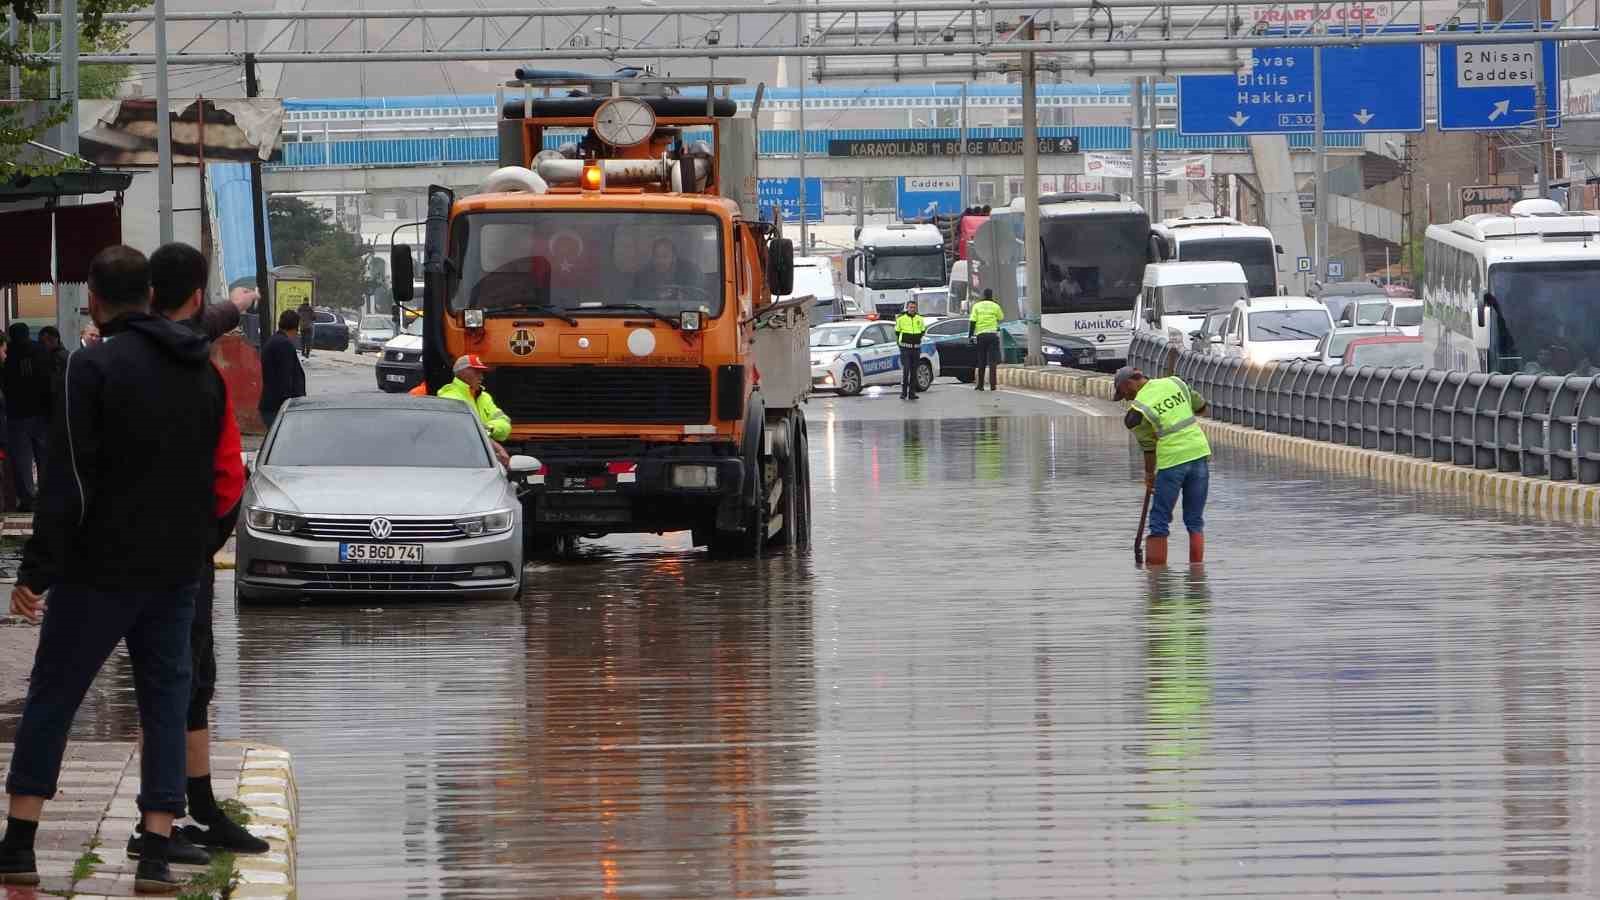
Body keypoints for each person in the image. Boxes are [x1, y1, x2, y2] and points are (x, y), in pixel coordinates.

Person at [0, 245, 230, 893]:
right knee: (164, 705)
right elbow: (212, 481)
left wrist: (37, 571)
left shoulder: (91, 369)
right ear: (152, 293)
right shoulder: (205, 374)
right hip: (176, 573)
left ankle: (19, 846)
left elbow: (69, 481)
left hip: (98, 571)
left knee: (54, 698)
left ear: (95, 298)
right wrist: (196, 549)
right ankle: (156, 853)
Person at [144, 242, 268, 860]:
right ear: (194, 298)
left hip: (112, 557)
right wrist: (208, 542)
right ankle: (174, 818)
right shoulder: (199, 374)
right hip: (182, 558)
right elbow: (228, 478)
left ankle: (25, 834)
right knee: (186, 682)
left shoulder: (103, 362)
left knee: (69, 688)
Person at [1114, 366, 1212, 567]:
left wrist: (1149, 476)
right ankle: (1197, 575)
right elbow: (1202, 407)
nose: (1125, 399)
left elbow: (1149, 449)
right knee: (1194, 520)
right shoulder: (1175, 382)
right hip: (1199, 453)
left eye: (1123, 393)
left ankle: (1156, 581)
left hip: (1172, 462)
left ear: (1129, 383)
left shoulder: (1138, 412)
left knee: (1159, 520)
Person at [2, 323, 50, 511]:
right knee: (44, 456)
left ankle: (28, 498)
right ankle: (47, 494)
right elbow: (48, 379)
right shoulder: (41, 350)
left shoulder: (9, 353)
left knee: (22, 459)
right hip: (40, 412)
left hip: (17, 413)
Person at [438, 355, 512, 466]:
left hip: (485, 458)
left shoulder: (484, 396)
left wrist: (487, 429)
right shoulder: (450, 397)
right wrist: (495, 444)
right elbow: (464, 433)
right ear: (462, 372)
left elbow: (505, 424)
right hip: (460, 460)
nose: (481, 377)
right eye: (477, 372)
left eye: (482, 372)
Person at [259, 310, 307, 430]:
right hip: (278, 407)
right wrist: (289, 406)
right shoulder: (283, 344)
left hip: (272, 405)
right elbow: (285, 378)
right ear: (295, 328)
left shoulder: (275, 340)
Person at [968, 288, 1005, 391]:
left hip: (981, 335)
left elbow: (972, 322)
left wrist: (970, 336)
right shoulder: (995, 306)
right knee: (992, 362)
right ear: (991, 295)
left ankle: (980, 385)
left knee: (982, 360)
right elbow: (1001, 317)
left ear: (983, 295)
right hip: (992, 335)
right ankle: (993, 386)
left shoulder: (977, 306)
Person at [894, 299, 928, 400]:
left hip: (916, 348)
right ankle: (904, 392)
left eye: (914, 307)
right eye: (910, 307)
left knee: (914, 371)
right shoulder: (901, 319)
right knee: (906, 370)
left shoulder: (920, 319)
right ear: (907, 308)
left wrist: (917, 339)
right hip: (905, 348)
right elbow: (897, 332)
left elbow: (922, 331)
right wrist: (900, 344)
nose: (912, 309)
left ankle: (912, 393)